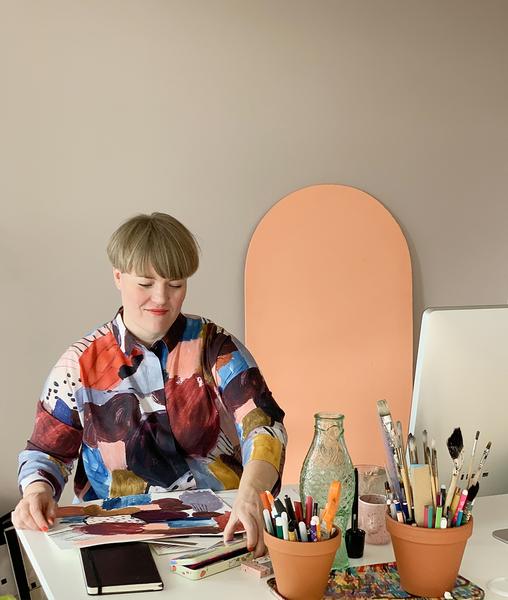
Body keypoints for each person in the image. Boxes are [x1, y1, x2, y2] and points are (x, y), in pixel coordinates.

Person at [13, 212, 287, 556]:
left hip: (226, 529)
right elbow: (47, 453)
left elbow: (263, 426)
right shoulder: (79, 364)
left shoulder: (216, 347)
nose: (161, 298)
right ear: (118, 276)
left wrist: (251, 493)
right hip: (119, 536)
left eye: (175, 285)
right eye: (145, 284)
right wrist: (36, 491)